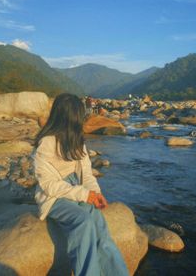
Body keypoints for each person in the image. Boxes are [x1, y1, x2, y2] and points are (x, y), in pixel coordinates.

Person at [32, 93, 129, 276]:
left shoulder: (77, 141)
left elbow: (87, 173)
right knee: (82, 222)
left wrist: (95, 193)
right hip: (54, 197)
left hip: (76, 189)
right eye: (80, 115)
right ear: (71, 117)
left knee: (99, 222)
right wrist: (84, 195)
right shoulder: (46, 143)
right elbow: (49, 185)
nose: (82, 119)